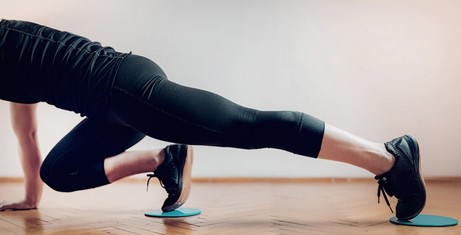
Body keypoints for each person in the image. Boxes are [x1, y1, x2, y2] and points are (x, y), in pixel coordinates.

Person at [0, 19, 426, 220]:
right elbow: (27, 128)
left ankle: (388, 157)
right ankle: (162, 160)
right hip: (112, 106)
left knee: (246, 125)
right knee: (58, 172)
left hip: (125, 89)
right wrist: (32, 197)